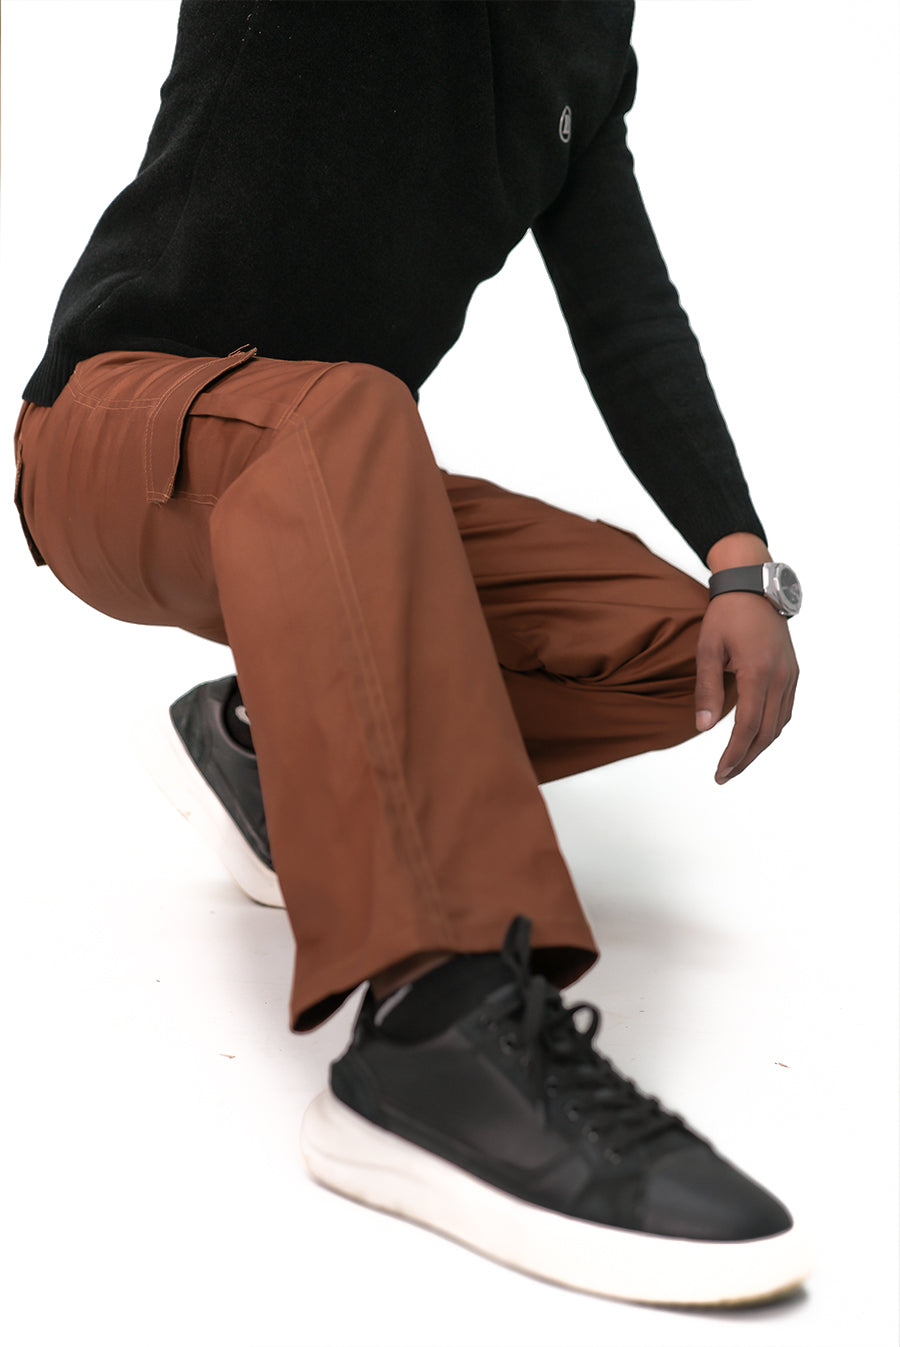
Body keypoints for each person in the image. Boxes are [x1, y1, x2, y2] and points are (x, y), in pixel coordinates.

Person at [12, 0, 806, 1308]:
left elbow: (627, 312)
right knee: (352, 410)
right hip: (114, 434)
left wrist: (740, 557)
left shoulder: (579, 43)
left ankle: (262, 748)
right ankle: (433, 1029)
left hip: (328, 485)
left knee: (679, 648)